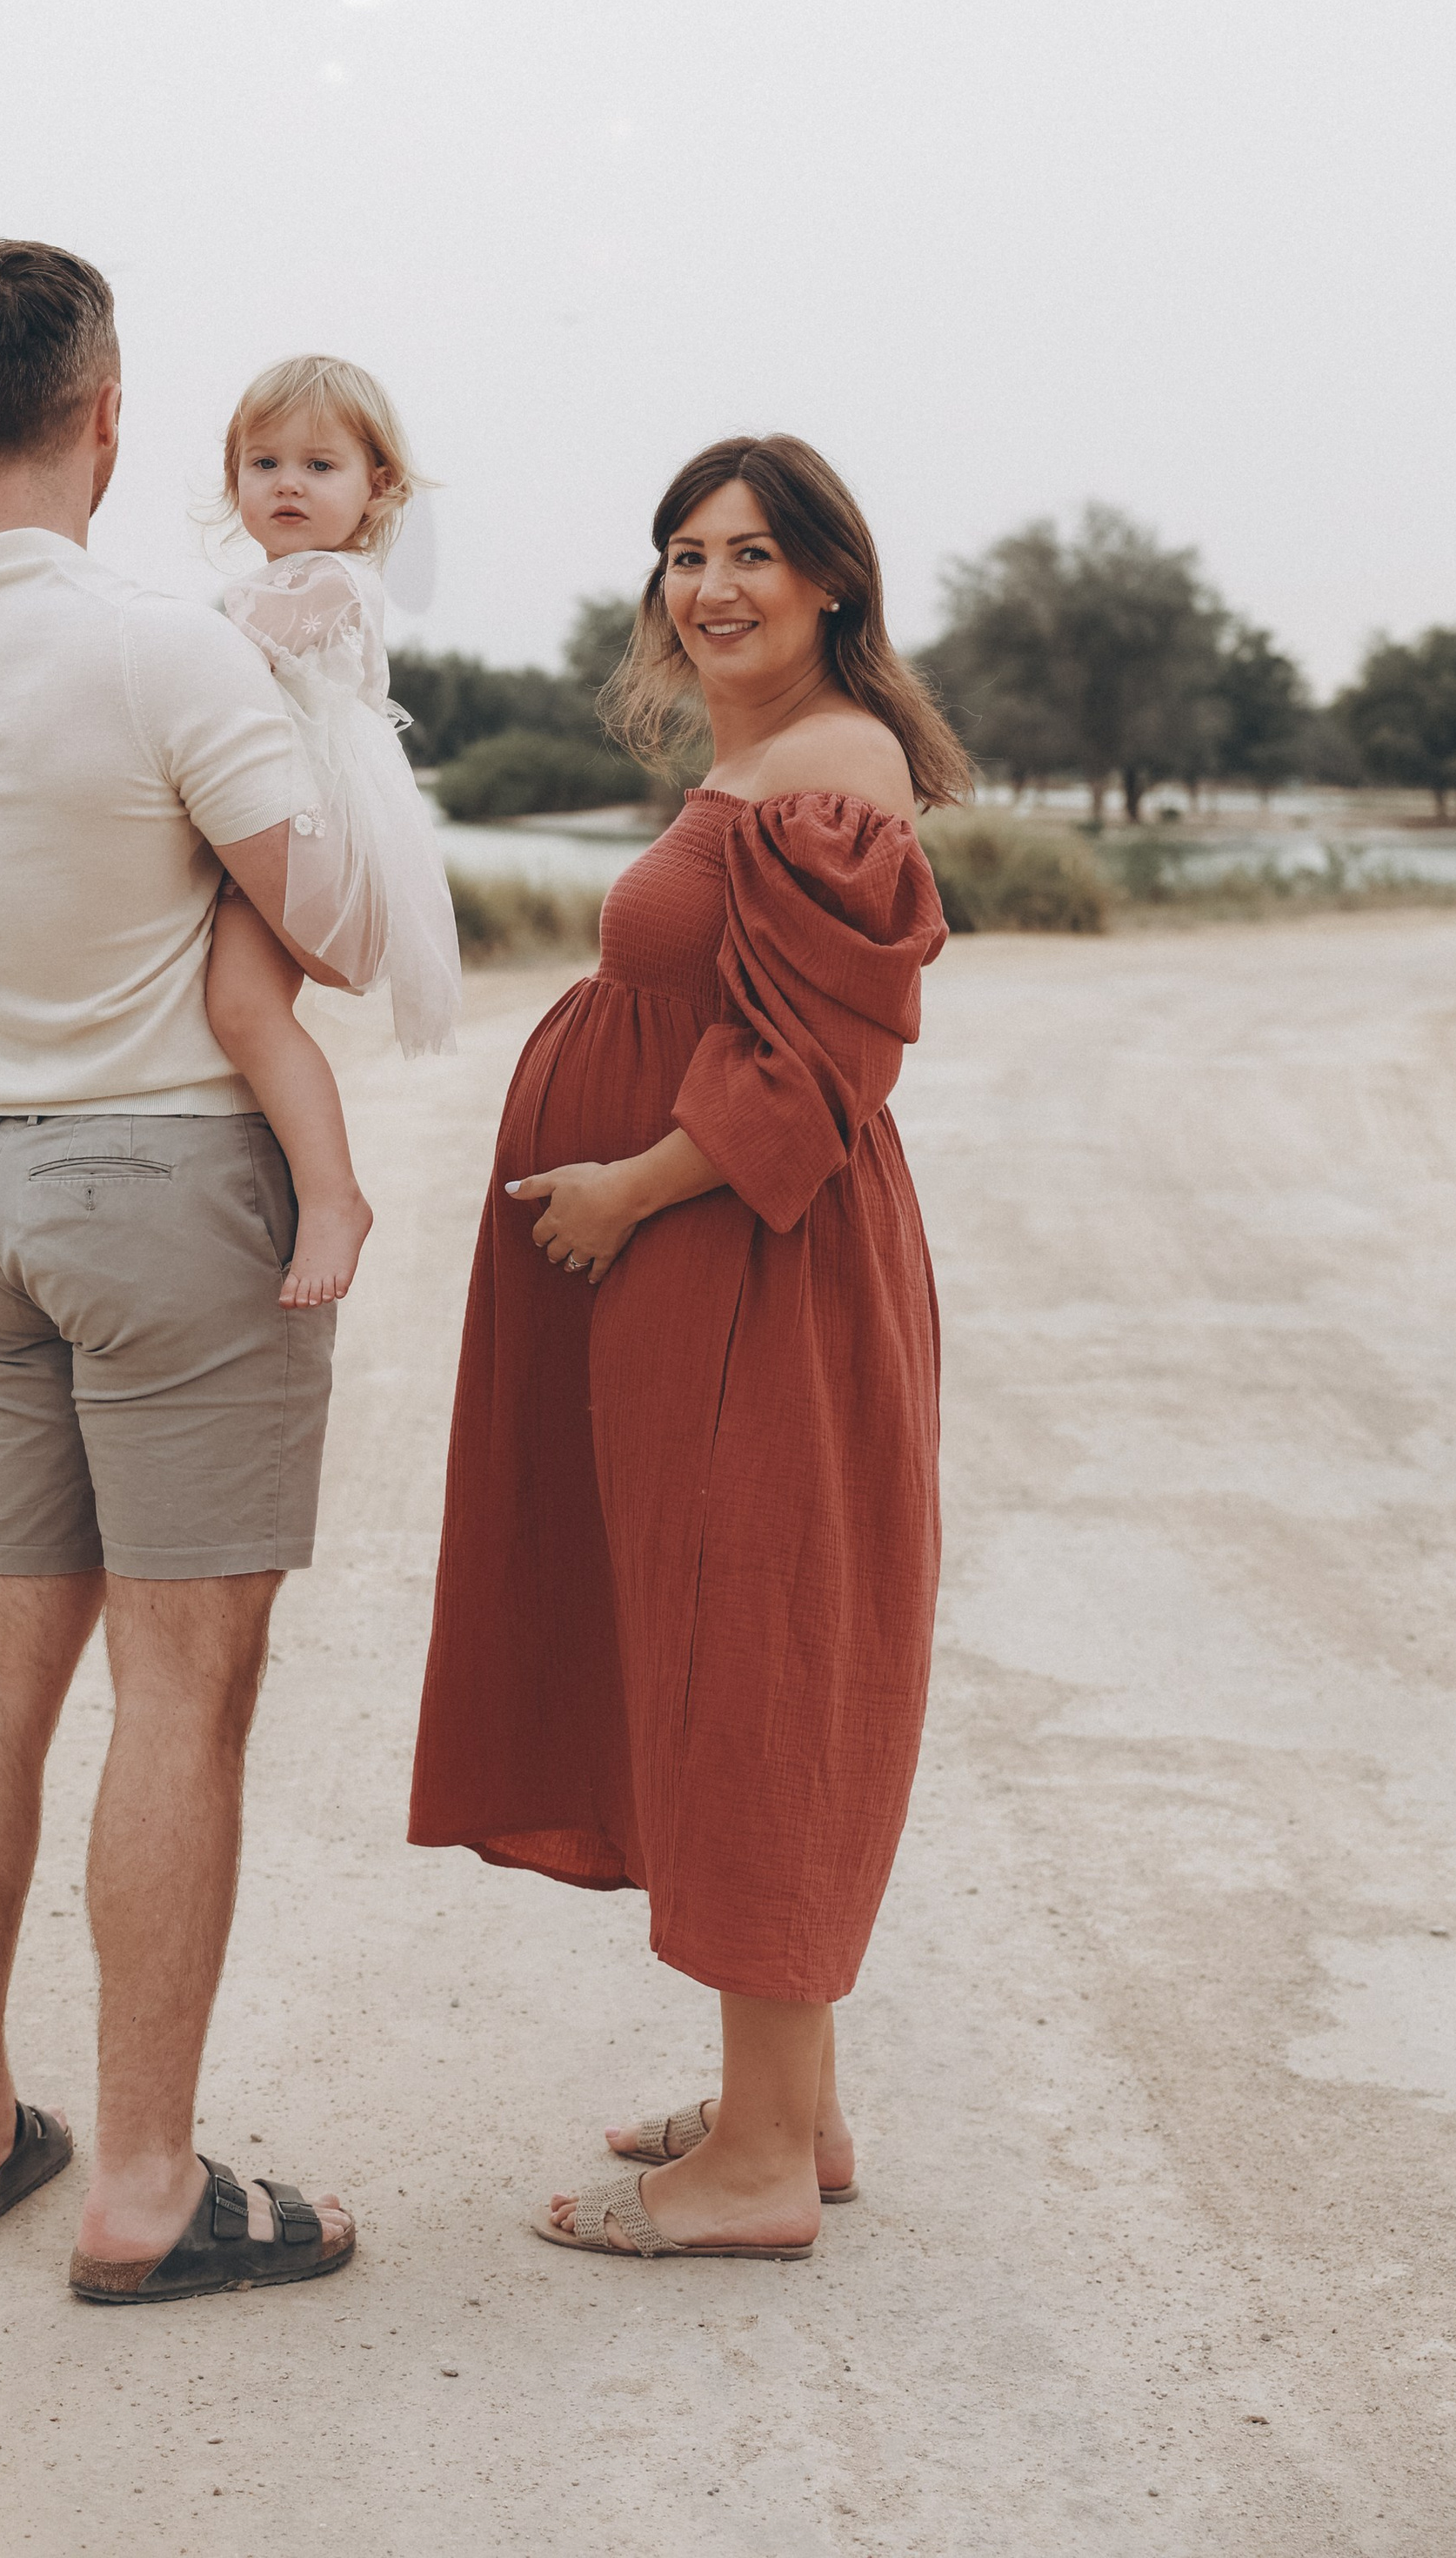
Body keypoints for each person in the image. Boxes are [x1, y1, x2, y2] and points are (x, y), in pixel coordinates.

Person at [0, 238, 368, 2307]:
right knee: (183, 1686)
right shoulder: (162, 645)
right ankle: (144, 2179)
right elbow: (339, 922)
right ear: (114, 415)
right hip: (166, 1185)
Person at [407, 432, 971, 2260]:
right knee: (716, 1642)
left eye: (748, 553)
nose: (707, 585)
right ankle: (784, 2114)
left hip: (753, 1269)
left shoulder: (832, 765)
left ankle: (746, 2181)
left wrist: (630, 1191)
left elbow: (819, 1067)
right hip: (703, 1264)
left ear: (830, 582)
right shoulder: (762, 755)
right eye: (680, 553)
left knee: (755, 1658)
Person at [204, 353, 462, 1309]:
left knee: (244, 1004)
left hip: (314, 818)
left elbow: (227, 644)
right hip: (270, 803)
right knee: (234, 1001)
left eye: (319, 466)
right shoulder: (278, 578)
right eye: (262, 463)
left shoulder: (337, 581)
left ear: (375, 486)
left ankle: (332, 1196)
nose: (287, 484)